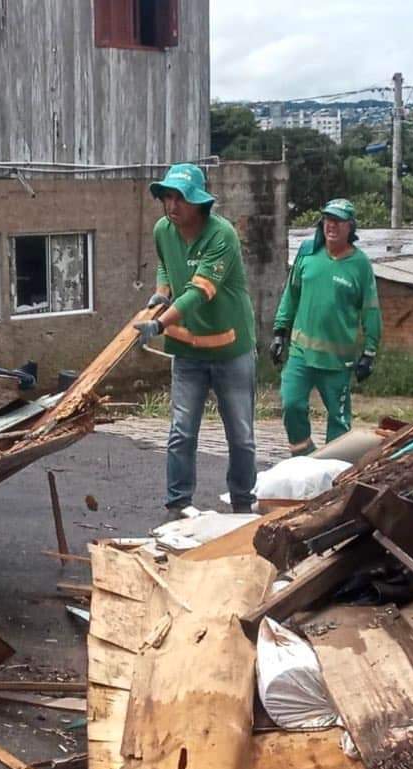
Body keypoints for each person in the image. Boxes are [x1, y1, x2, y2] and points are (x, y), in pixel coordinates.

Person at [133, 163, 257, 519]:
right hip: (186, 350)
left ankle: (242, 504)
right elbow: (165, 266)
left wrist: (158, 324)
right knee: (182, 432)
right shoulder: (163, 230)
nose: (172, 206)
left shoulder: (222, 236)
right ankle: (178, 504)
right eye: (167, 197)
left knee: (241, 435)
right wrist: (161, 291)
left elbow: (199, 292)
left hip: (229, 349)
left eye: (181, 199)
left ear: (200, 202)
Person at [270, 199, 381, 455]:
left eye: (338, 221)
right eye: (327, 219)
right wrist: (279, 332)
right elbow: (292, 293)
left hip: (337, 362)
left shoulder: (360, 264)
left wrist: (369, 352)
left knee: (339, 422)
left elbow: (371, 309)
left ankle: (334, 472)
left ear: (350, 227)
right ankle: (304, 457)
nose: (331, 225)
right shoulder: (308, 251)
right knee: (292, 404)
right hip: (301, 355)